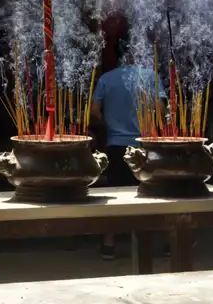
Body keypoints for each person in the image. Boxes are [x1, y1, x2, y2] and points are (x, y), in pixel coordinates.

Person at [90, 37, 165, 260]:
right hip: (145, 145)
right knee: (150, 193)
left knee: (114, 195)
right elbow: (160, 111)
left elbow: (94, 111)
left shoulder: (107, 78)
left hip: (116, 145)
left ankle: (109, 243)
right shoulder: (151, 77)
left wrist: (109, 126)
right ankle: (150, 240)